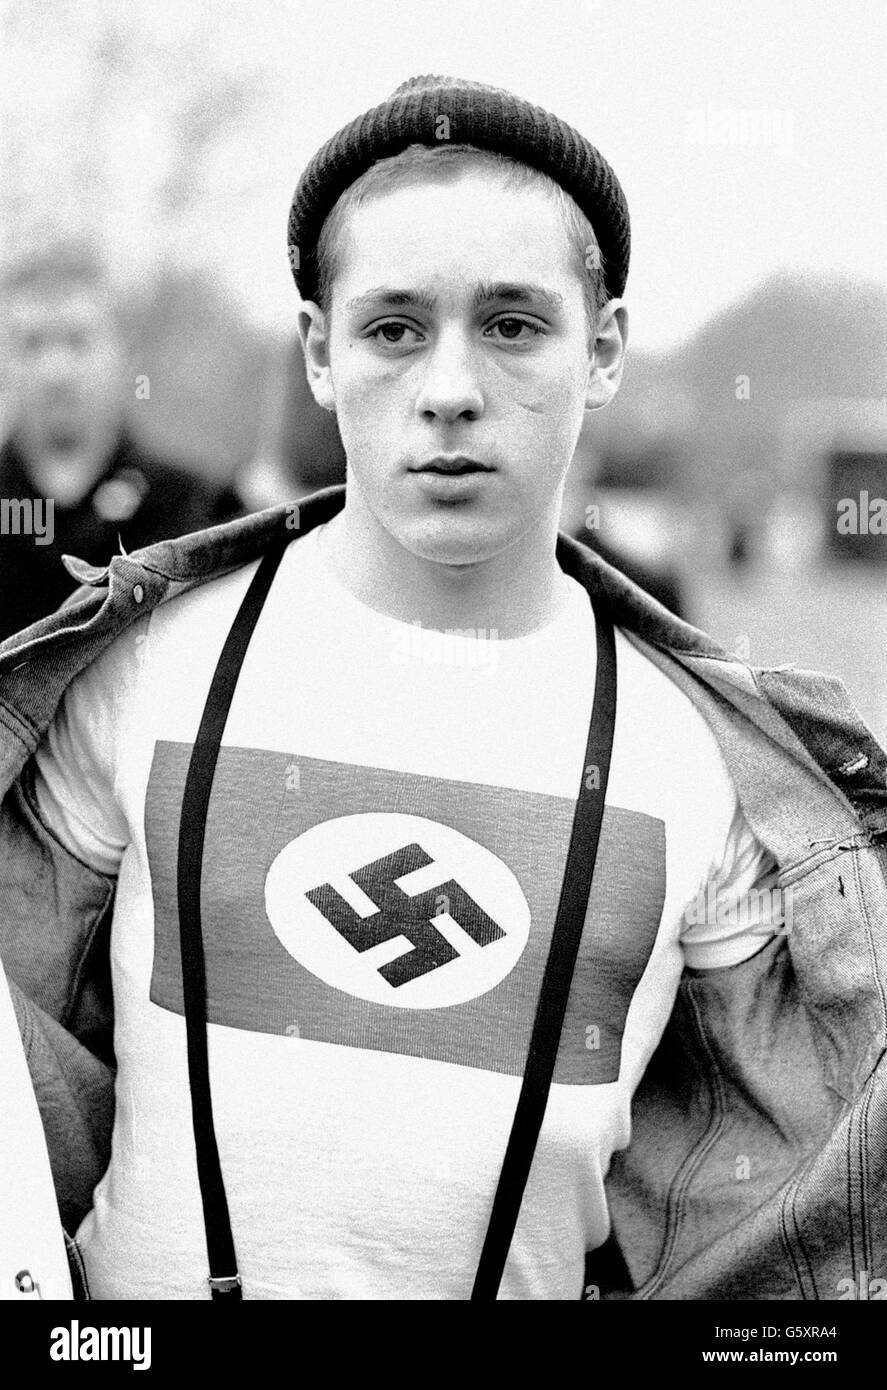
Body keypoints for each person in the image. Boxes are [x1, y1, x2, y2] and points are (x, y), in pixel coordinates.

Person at [0, 75, 885, 1302]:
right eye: (393, 326)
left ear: (605, 349)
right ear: (319, 351)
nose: (450, 387)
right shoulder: (141, 667)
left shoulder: (705, 758)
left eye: (513, 324)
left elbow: (762, 1227)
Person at [0, 240, 241, 640]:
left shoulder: (195, 512)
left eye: (77, 341)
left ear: (122, 355)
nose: (55, 370)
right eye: (32, 343)